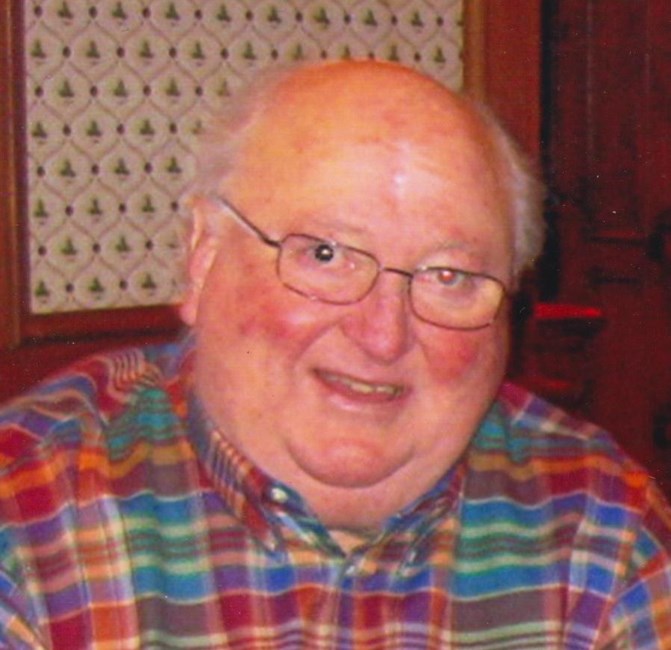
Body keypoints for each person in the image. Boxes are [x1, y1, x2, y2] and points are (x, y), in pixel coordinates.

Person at [0, 60, 669, 649]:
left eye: (448, 277)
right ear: (203, 258)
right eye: (325, 255)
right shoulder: (28, 520)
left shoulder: (600, 529)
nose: (382, 336)